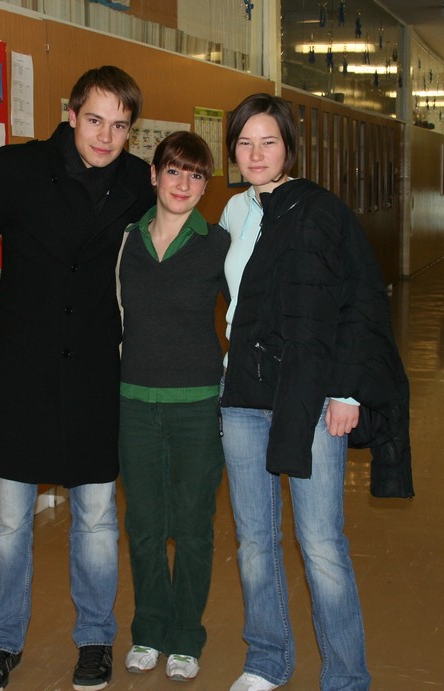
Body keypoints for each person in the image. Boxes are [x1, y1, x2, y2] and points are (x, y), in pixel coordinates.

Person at [0, 65, 155, 691]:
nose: (105, 136)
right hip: (21, 369)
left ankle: (95, 640)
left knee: (96, 517)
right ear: (71, 114)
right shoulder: (17, 168)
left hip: (95, 370)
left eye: (119, 126)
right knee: (9, 522)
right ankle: (1, 643)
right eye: (95, 120)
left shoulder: (138, 183)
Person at [218, 93, 413, 691]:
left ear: (289, 147)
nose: (256, 154)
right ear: (233, 151)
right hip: (244, 395)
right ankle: (266, 659)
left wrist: (348, 391)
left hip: (312, 395)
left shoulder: (322, 211)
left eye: (268, 142)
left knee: (321, 543)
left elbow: (360, 300)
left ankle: (346, 677)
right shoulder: (234, 212)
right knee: (254, 541)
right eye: (245, 143)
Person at [117, 132, 228, 682]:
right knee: (142, 526)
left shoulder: (218, 244)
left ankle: (186, 637)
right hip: (134, 404)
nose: (183, 184)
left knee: (192, 528)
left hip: (197, 406)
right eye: (174, 171)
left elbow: (250, 313)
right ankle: (149, 630)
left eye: (196, 175)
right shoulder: (125, 242)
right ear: (154, 174)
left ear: (205, 186)